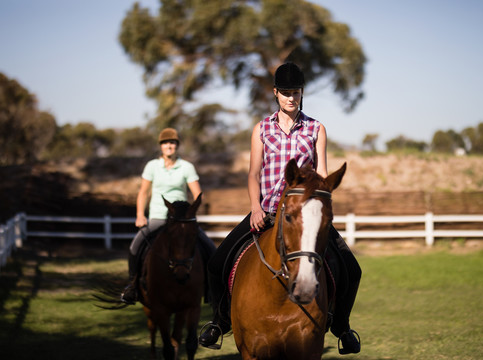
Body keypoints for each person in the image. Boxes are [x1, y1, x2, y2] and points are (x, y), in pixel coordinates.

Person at [198, 63, 361, 355]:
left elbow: (322, 175)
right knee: (216, 262)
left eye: (295, 93)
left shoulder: (316, 128)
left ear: (302, 93)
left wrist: (320, 210)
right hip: (267, 211)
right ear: (275, 93)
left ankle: (342, 327)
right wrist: (255, 207)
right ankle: (219, 321)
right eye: (285, 92)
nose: (291, 98)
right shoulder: (261, 129)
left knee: (351, 267)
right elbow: (253, 174)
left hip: (303, 215)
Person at [121, 127, 216, 305]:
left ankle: (211, 289)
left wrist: (191, 214)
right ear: (161, 146)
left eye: (172, 142)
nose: (169, 146)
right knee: (135, 247)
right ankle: (132, 286)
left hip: (181, 219)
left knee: (210, 247)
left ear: (177, 145)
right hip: (158, 216)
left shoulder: (186, 167)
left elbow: (198, 195)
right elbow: (143, 193)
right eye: (165, 143)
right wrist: (140, 215)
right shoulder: (152, 166)